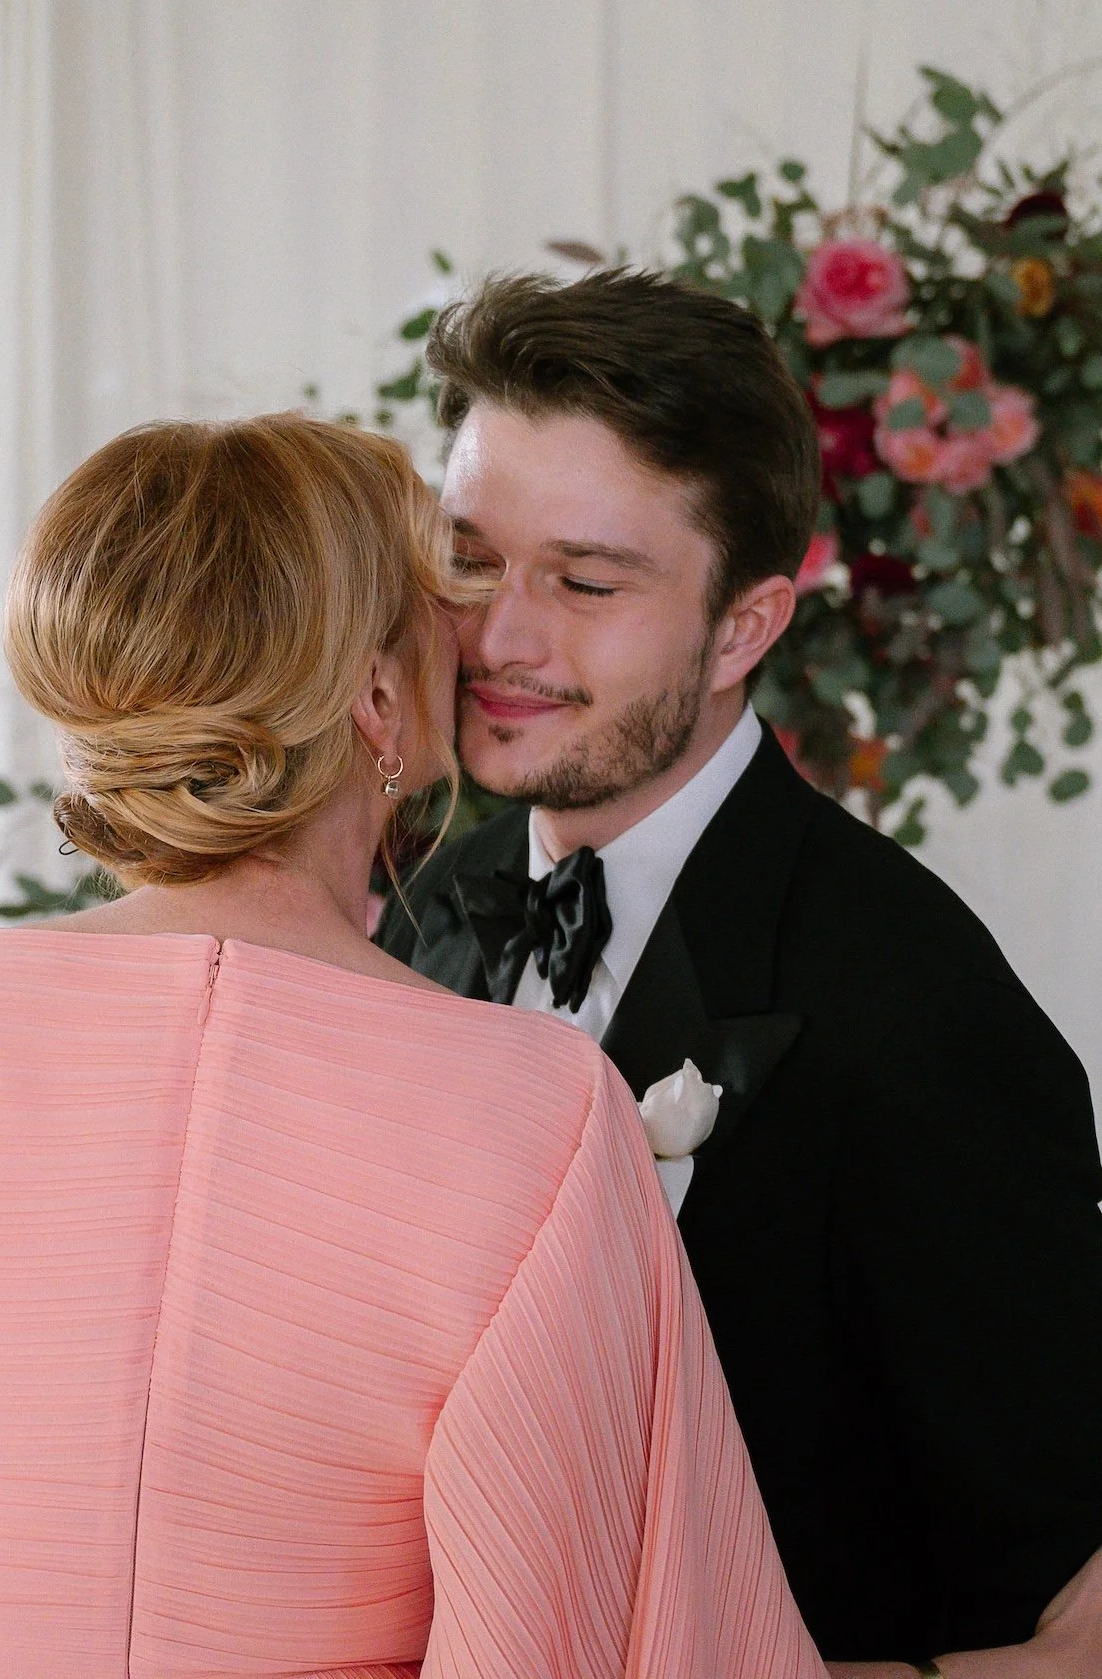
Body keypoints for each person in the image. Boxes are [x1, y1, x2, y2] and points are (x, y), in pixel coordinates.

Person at [0, 415, 824, 1679]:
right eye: (443, 609)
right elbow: (554, 1638)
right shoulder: (539, 1111)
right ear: (377, 698)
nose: (483, 644)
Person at [376, 270, 1102, 1674]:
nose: (498, 638)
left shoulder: (914, 1007)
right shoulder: (425, 908)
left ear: (744, 628)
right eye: (470, 561)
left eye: (585, 583)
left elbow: (1054, 1601)